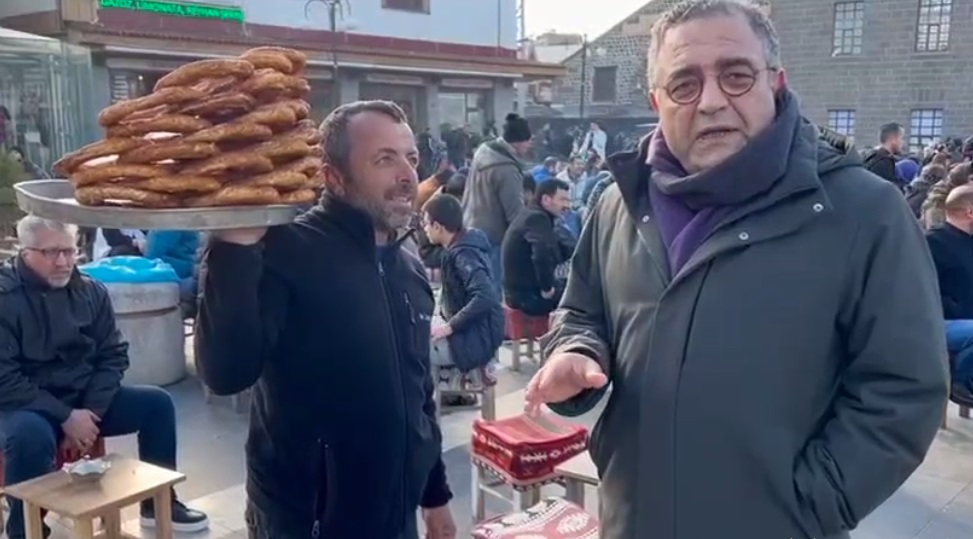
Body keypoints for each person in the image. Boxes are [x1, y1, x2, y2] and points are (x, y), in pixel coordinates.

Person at [525, 2, 948, 538]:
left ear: (775, 82)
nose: (711, 101)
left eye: (736, 75)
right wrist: (576, 351)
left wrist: (811, 502)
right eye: (683, 83)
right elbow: (581, 309)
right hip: (634, 519)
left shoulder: (863, 212)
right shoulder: (619, 204)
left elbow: (905, 387)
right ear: (657, 101)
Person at [195, 100, 455, 539]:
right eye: (384, 159)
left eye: (410, 158)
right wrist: (233, 248)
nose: (408, 174)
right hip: (309, 521)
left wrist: (435, 494)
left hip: (395, 516)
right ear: (333, 176)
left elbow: (418, 391)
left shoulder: (408, 265)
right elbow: (225, 372)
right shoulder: (285, 249)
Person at [0, 216, 208, 539]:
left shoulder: (90, 291)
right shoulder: (5, 297)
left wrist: (89, 414)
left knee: (157, 404)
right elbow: (4, 378)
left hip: (83, 398)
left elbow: (113, 356)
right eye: (52, 252)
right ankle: (23, 530)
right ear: (25, 252)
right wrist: (65, 417)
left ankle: (158, 504)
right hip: (25, 405)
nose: (63, 262)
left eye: (69, 252)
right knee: (31, 436)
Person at [423, 194, 504, 372]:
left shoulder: (463, 254)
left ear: (437, 226)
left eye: (426, 224)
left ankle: (437, 395)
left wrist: (450, 326)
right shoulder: (465, 244)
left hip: (475, 339)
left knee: (415, 347)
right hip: (476, 331)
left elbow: (485, 295)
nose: (425, 229)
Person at [462, 113, 532, 288]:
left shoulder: (483, 152)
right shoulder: (506, 169)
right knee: (492, 291)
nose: (530, 145)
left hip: (470, 227)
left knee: (474, 288)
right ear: (518, 142)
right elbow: (515, 212)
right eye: (528, 140)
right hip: (494, 238)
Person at [926, 184, 973, 400]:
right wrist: (954, 306)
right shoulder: (932, 242)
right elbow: (921, 290)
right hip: (941, 322)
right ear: (969, 212)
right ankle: (961, 382)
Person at [501, 179, 573, 316]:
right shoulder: (536, 218)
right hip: (526, 296)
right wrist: (547, 289)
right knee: (582, 296)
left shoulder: (531, 214)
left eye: (568, 201)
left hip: (520, 291)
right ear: (546, 199)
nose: (567, 205)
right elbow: (542, 255)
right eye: (563, 200)